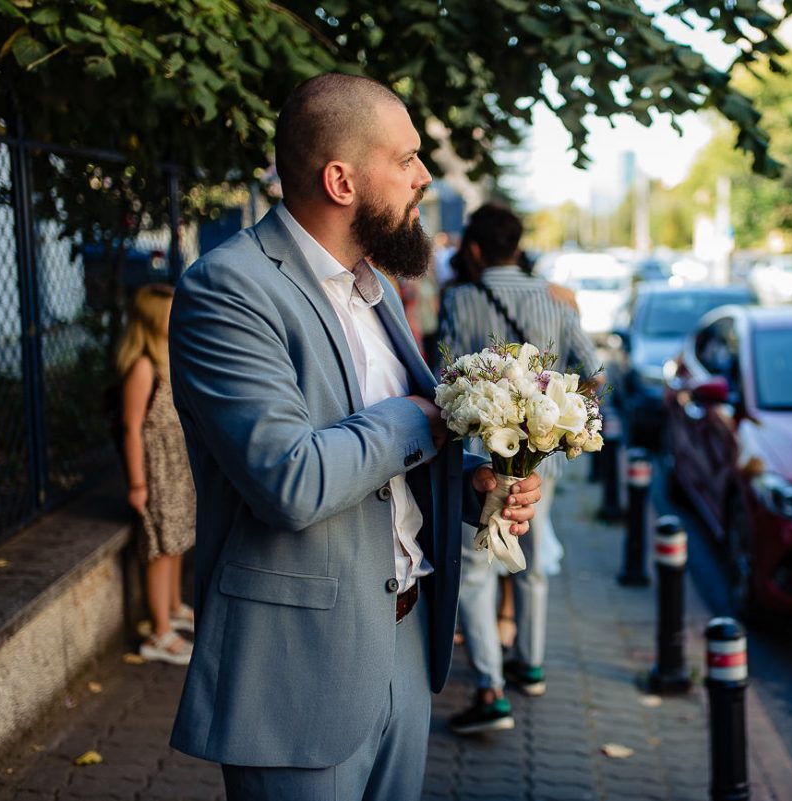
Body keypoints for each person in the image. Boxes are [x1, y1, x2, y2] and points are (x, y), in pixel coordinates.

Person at [166, 73, 542, 801]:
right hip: (297, 666)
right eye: (405, 159)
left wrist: (473, 491)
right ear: (341, 179)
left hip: (403, 635)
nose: (423, 176)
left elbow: (388, 474)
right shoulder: (227, 289)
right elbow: (290, 479)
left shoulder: (375, 286)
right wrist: (421, 415)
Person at [436, 203, 597, 735]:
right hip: (540, 458)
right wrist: (562, 429)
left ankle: (490, 690)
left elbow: (453, 375)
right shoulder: (554, 297)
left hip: (481, 456)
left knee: (478, 567)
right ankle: (529, 664)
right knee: (531, 554)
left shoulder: (460, 297)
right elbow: (590, 369)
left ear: (476, 249)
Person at [116, 282, 196, 666]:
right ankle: (159, 632)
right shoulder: (143, 367)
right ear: (151, 320)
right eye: (169, 313)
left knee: (177, 540)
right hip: (156, 472)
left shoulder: (167, 356)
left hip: (176, 468)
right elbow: (132, 426)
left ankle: (174, 605)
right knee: (161, 547)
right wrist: (137, 483)